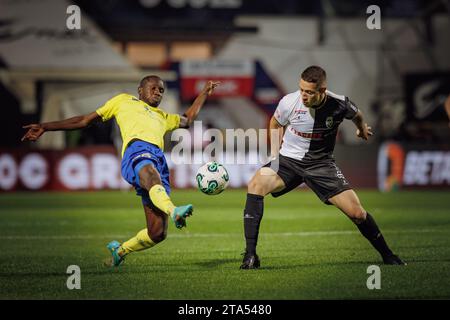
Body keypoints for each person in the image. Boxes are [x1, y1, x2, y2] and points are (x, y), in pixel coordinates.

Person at [22, 75, 219, 267]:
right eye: (154, 88)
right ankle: (174, 210)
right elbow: (84, 120)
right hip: (137, 151)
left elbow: (188, 119)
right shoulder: (123, 101)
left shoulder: (163, 116)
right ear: (140, 90)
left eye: (161, 90)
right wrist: (45, 127)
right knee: (151, 176)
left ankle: (120, 251)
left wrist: (203, 93)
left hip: (158, 160)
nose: (158, 92)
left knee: (157, 233)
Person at [240, 66, 406, 269]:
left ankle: (387, 255)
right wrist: (275, 157)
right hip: (288, 161)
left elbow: (357, 113)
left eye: (309, 92)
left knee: (357, 213)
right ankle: (250, 255)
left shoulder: (339, 104)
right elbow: (275, 124)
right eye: (301, 89)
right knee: (255, 184)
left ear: (322, 90)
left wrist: (361, 127)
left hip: (321, 165)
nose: (304, 95)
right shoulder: (288, 102)